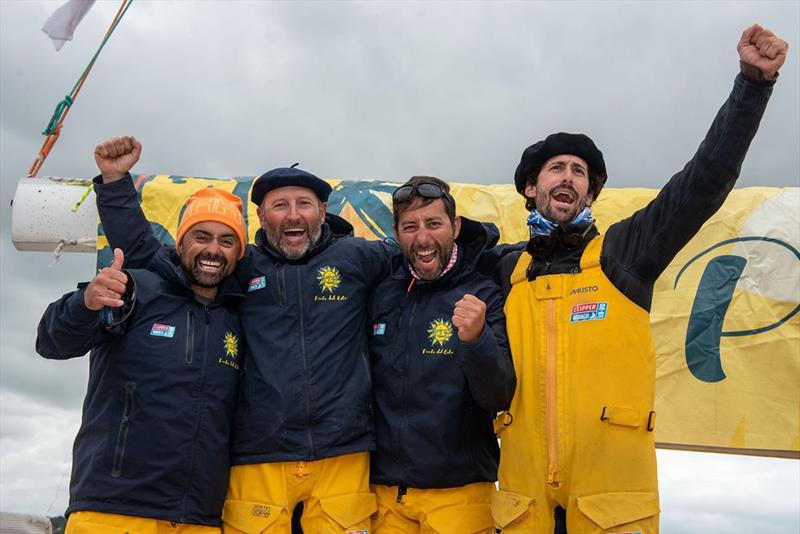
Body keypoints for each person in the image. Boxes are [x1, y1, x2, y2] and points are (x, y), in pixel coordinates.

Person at [492, 24, 788, 534]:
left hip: (611, 509)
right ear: (529, 186)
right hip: (522, 507)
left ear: (590, 193)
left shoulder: (626, 252)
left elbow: (704, 182)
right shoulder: (503, 269)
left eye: (579, 172)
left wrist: (752, 87)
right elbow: (428, 250)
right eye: (556, 168)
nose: (567, 177)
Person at [91, 148, 390, 533]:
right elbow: (149, 258)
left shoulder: (358, 257)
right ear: (261, 218)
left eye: (304, 203)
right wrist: (116, 184)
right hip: (259, 450)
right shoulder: (239, 265)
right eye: (280, 205)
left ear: (322, 210)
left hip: (343, 448)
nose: (294, 214)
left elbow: (427, 253)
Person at [36, 169, 248, 533]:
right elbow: (52, 342)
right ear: (181, 243)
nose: (213, 249)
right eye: (201, 236)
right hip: (112, 510)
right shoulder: (137, 290)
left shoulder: (240, 319)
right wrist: (84, 303)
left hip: (199, 518)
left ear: (239, 253)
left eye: (227, 241)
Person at [368, 176, 515, 533]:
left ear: (456, 226)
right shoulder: (380, 292)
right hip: (386, 497)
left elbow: (499, 395)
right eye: (410, 227)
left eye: (434, 224)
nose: (423, 239)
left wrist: (477, 340)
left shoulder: (484, 293)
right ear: (396, 233)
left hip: (461, 495)